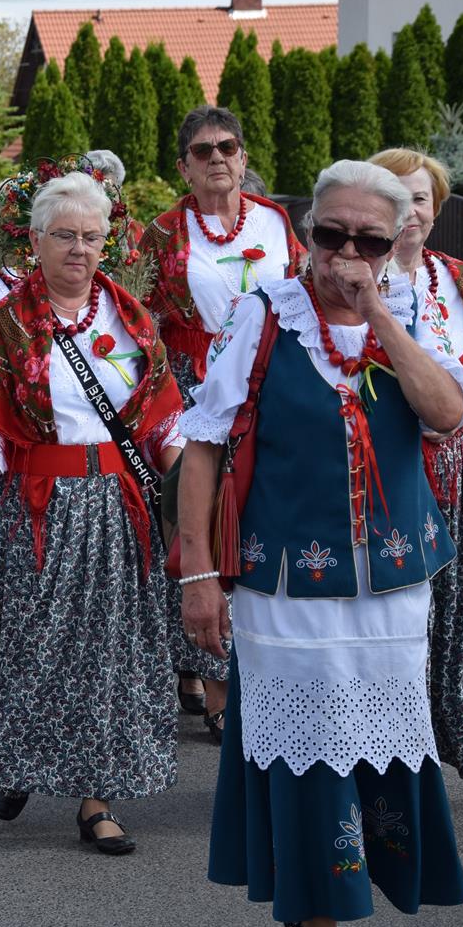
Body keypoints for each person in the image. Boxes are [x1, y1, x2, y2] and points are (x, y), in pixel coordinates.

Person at [178, 160, 463, 927]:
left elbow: (447, 412)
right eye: (330, 234)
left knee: (377, 750)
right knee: (307, 764)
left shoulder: (415, 312)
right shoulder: (262, 314)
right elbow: (201, 444)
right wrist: (199, 573)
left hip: (390, 588)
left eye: (368, 240)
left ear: (396, 243)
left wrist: (378, 311)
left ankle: (343, 901)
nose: (345, 253)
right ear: (307, 231)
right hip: (283, 587)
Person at [0, 170, 184, 852]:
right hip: (38, 508)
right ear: (35, 241)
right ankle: (18, 758)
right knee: (32, 641)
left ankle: (97, 797)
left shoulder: (132, 318)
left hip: (120, 507)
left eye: (92, 236)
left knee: (111, 651)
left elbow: (163, 420)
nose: (80, 249)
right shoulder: (5, 324)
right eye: (66, 236)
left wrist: (197, 495)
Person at [143, 107, 306, 733]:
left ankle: (264, 669)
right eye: (202, 150)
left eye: (228, 147)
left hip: (264, 388)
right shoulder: (162, 235)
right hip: (192, 389)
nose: (217, 158)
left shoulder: (274, 221)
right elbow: (140, 322)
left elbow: (297, 299)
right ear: (184, 165)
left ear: (243, 155)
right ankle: (212, 686)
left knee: (260, 518)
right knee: (202, 523)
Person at [370, 148, 463, 779]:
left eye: (420, 197)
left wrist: (458, 408)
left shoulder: (462, 279)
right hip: (383, 470)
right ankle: (386, 747)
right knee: (395, 613)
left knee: (455, 606)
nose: (411, 210)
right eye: (396, 196)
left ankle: (444, 735)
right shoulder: (353, 282)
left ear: (436, 206)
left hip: (453, 470)